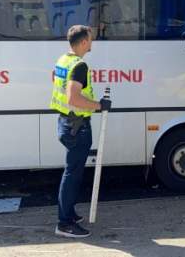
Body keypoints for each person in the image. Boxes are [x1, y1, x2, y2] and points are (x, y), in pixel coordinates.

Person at [50, 25, 111, 238]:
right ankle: (64, 223)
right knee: (72, 174)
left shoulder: (62, 60)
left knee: (72, 172)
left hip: (65, 123)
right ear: (84, 41)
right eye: (90, 39)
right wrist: (99, 105)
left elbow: (57, 84)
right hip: (77, 127)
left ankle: (69, 213)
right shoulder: (80, 65)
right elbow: (73, 98)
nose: (92, 42)